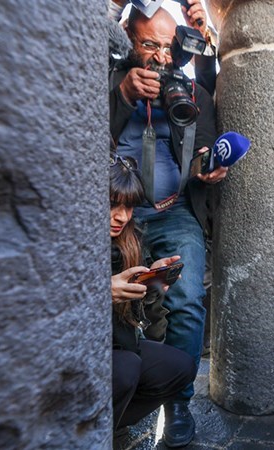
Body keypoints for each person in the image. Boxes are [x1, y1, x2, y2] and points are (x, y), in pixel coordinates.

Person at [110, 5, 222, 447]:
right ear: (128, 43)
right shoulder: (109, 80)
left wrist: (211, 167)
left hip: (174, 211)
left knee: (190, 299)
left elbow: (203, 147)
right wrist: (122, 95)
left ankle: (177, 401)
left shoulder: (190, 90)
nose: (158, 56)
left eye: (166, 46)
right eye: (148, 44)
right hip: (115, 212)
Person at [109, 154, 196, 435]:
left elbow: (147, 330)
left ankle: (111, 423)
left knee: (179, 367)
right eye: (112, 205)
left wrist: (149, 288)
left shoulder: (129, 241)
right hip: (74, 355)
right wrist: (102, 292)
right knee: (125, 368)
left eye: (129, 206)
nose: (122, 216)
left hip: (121, 345)